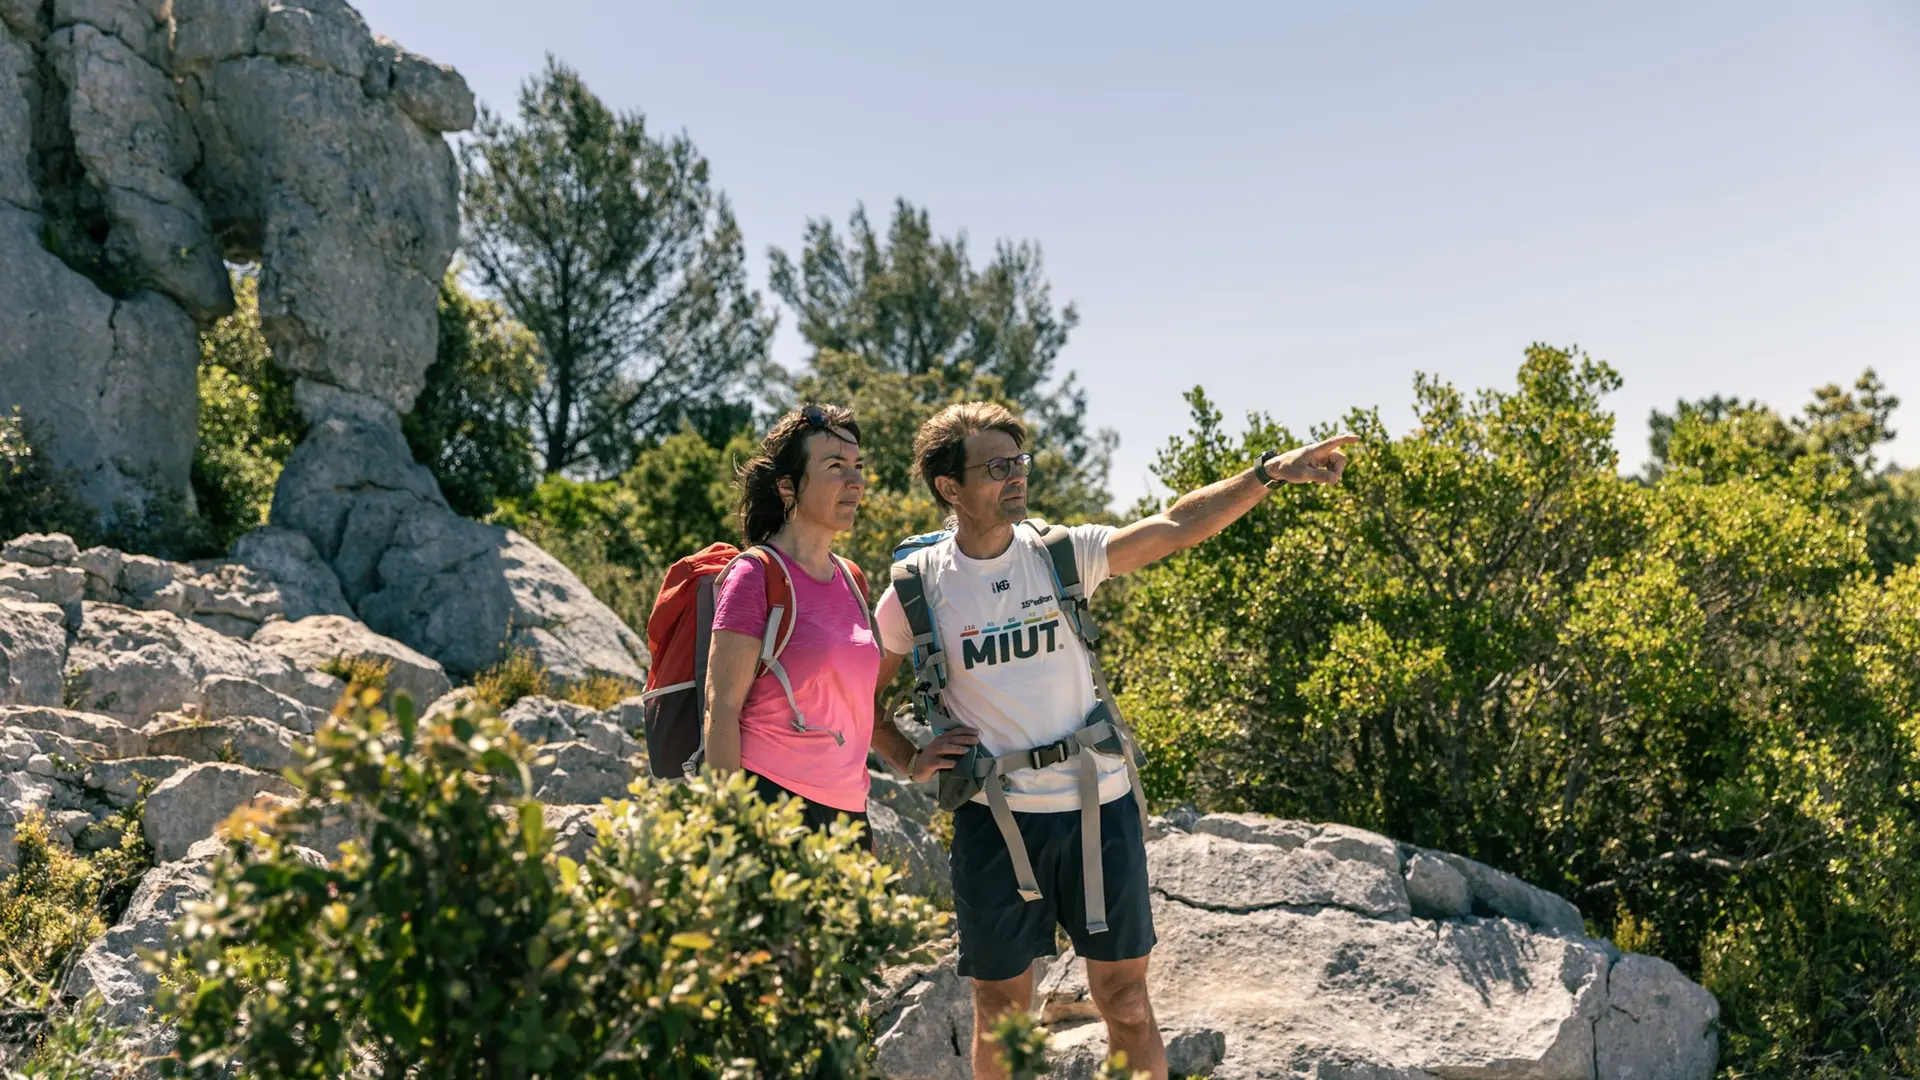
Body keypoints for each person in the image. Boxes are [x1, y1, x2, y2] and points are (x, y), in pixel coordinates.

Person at [868, 401, 1357, 1080]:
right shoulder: (916, 592)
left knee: (1124, 1000)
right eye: (997, 466)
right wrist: (905, 757)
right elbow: (863, 697)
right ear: (949, 487)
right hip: (995, 822)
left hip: (1099, 807)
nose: (1017, 477)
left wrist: (1271, 473)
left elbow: (1178, 525)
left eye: (1020, 462)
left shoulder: (1060, 555)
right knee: (1001, 1016)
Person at [702, 403, 895, 846]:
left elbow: (859, 703)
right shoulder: (756, 575)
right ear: (787, 487)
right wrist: (731, 830)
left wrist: (913, 760)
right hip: (773, 806)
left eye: (857, 466)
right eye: (834, 467)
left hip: (850, 813)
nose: (855, 482)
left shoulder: (852, 578)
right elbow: (721, 709)